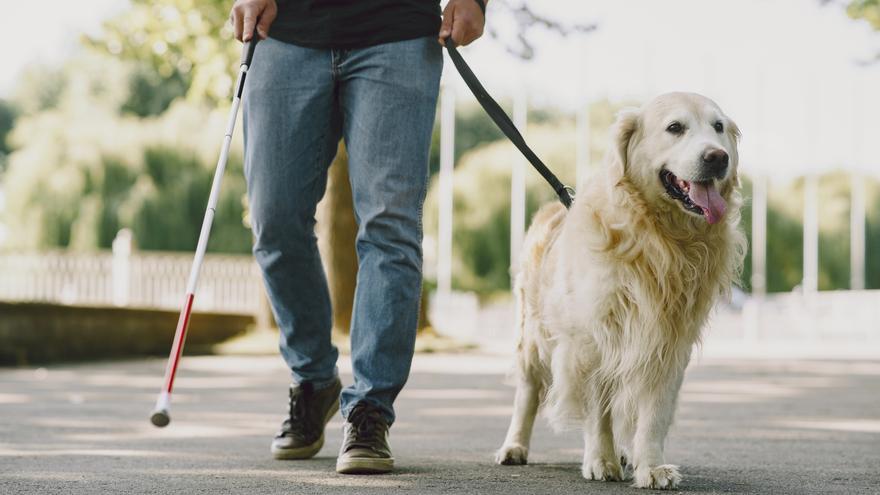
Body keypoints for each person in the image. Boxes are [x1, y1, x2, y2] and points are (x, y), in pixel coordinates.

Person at [229, 0, 486, 475]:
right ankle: (313, 379)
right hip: (285, 32)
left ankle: (370, 409)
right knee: (275, 219)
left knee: (390, 225)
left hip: (398, 31)